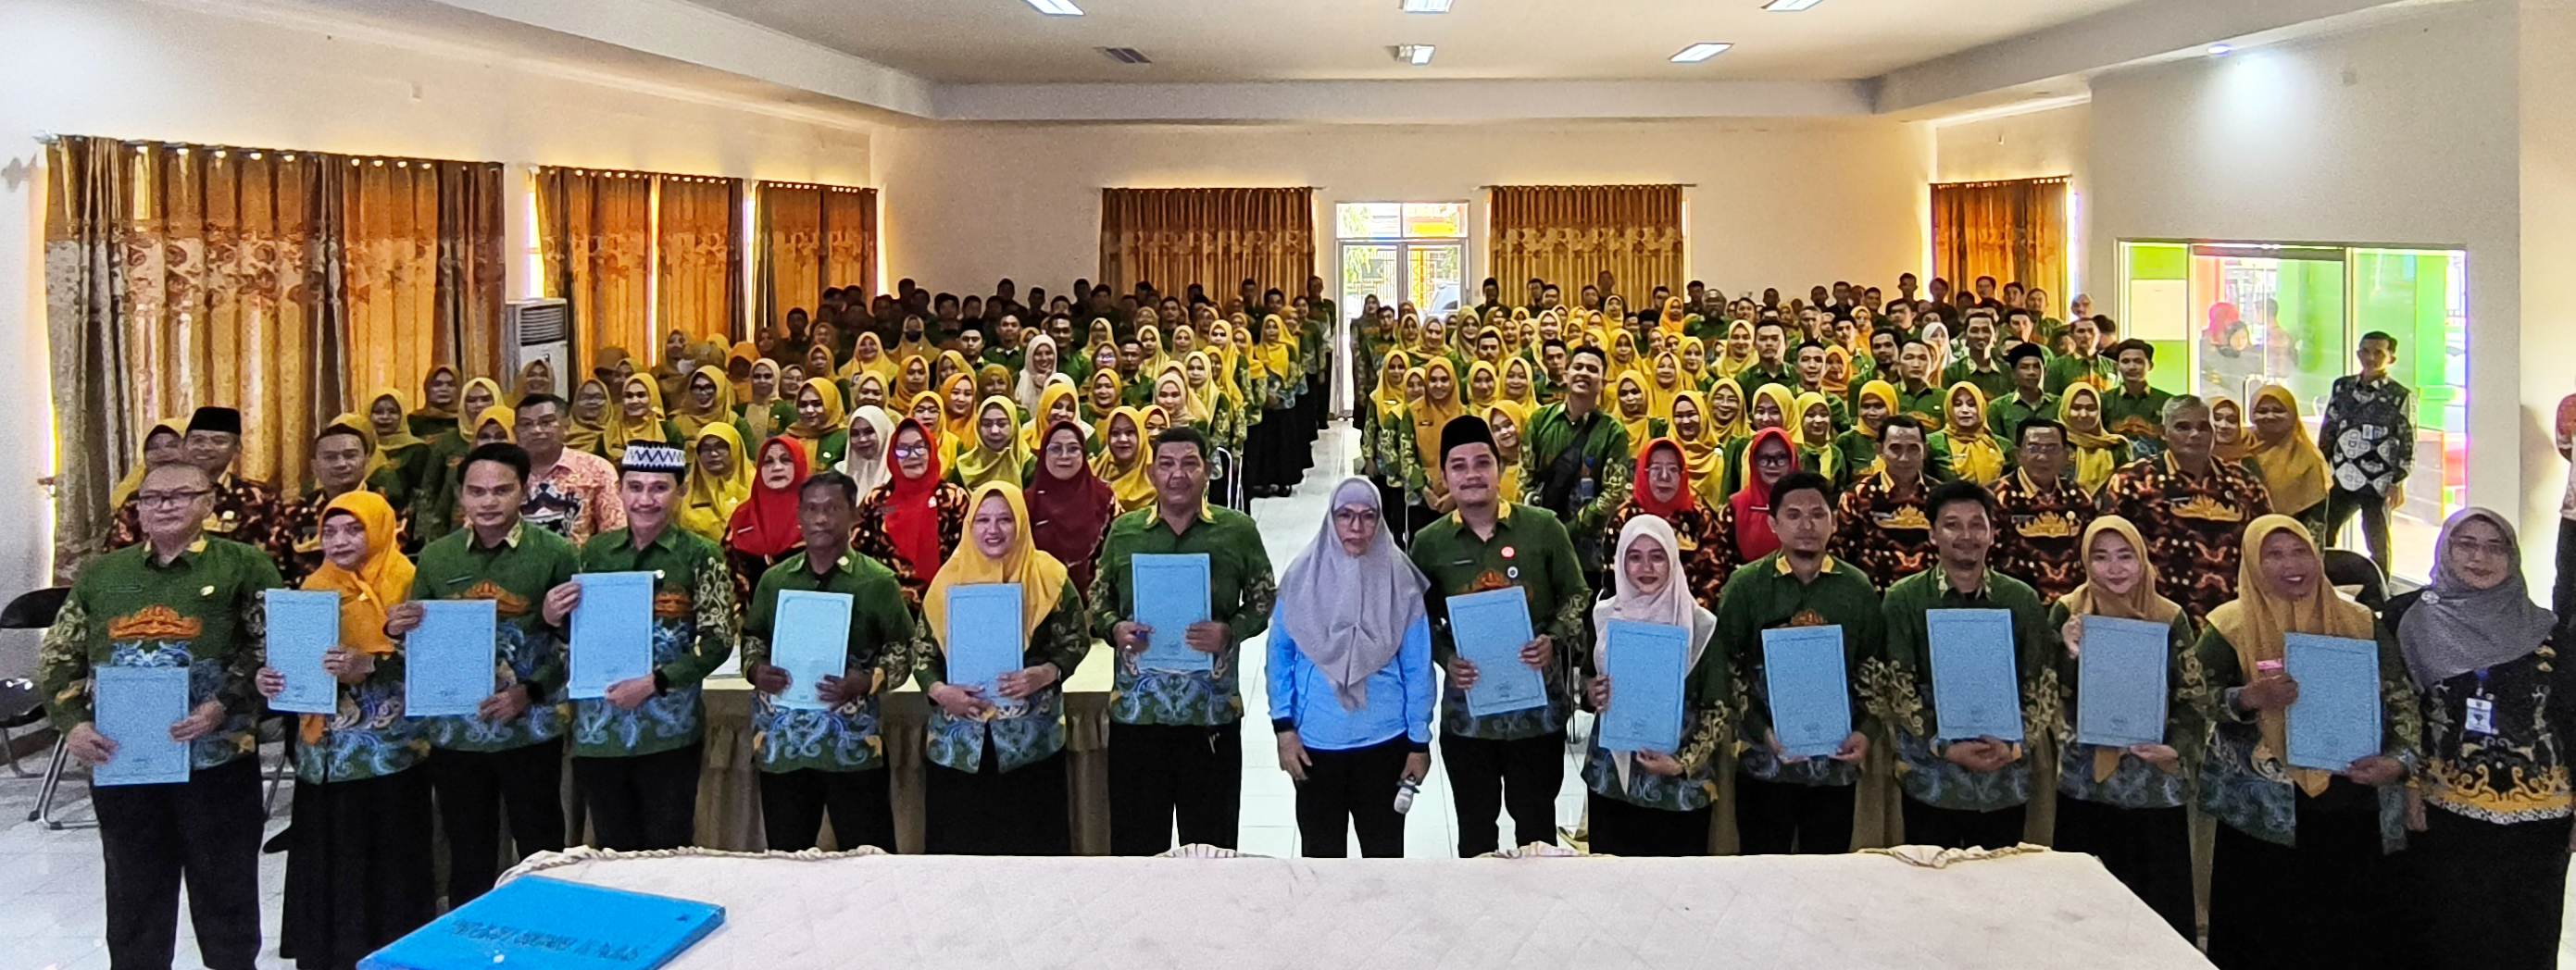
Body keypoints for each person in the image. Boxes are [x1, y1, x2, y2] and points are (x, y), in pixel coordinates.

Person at [43, 461, 280, 970]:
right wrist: (73, 723)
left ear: (208, 502)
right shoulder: (104, 574)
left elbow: (270, 648)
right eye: (152, 498)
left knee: (225, 889)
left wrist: (224, 704)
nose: (164, 506)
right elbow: (60, 655)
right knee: (134, 893)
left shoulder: (243, 565)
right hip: (123, 760)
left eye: (179, 495)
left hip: (215, 757)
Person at [2195, 516, 2411, 969]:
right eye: (2273, 555)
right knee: (2265, 935)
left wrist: (2399, 761)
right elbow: (2192, 699)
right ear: (2252, 563)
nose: (2291, 565)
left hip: (2352, 802)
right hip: (2263, 815)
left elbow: (2401, 699)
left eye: (2300, 552)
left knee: (2346, 934)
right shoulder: (2229, 627)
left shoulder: (2359, 622)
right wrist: (2246, 698)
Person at [392, 441, 576, 904]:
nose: (488, 502)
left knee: (541, 845)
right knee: (467, 850)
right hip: (458, 732)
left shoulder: (555, 553)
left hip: (530, 727)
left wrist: (529, 692)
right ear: (461, 495)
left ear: (524, 491)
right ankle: (472, 935)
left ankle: (546, 932)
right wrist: (398, 630)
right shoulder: (437, 558)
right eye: (476, 491)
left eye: (501, 490)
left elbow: (575, 643)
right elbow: (423, 645)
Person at [257, 491, 433, 969]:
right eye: (330, 531)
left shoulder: (409, 582)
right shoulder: (314, 586)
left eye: (354, 529)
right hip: (324, 758)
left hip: (391, 754)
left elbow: (438, 662)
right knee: (330, 860)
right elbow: (293, 662)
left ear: (381, 529)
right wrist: (269, 679)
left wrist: (372, 664)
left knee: (388, 862)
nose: (339, 541)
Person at [2395, 509, 2570, 969]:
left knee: (2527, 943)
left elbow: (2570, 718)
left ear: (2513, 557)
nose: (2480, 557)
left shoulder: (2547, 630)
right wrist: (2408, 788)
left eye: (2496, 547)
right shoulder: (2409, 622)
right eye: (2466, 544)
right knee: (2452, 938)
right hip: (2447, 811)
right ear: (2446, 549)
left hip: (2541, 816)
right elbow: (2401, 712)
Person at [1410, 416, 1590, 856]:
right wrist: (1446, 657)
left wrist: (1553, 638)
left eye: (1482, 462)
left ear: (1500, 467)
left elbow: (1577, 595)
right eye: (1458, 466)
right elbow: (1417, 619)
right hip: (1469, 715)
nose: (1472, 474)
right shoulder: (1430, 544)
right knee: (1475, 832)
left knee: (1537, 828)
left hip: (1537, 712)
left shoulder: (1543, 528)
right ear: (1444, 476)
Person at [1094, 427, 1277, 854]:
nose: (1178, 475)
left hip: (1209, 713)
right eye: (1167, 464)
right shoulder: (1125, 531)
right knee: (1137, 849)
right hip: (1139, 714)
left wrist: (1231, 631)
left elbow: (1265, 598)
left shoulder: (1237, 531)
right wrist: (1115, 628)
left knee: (1211, 849)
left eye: (1189, 463)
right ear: (1152, 473)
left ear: (1208, 471)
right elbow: (1098, 599)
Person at [550, 441, 736, 852]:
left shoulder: (700, 555)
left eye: (659, 488)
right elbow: (574, 637)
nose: (645, 500)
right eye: (635, 487)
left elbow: (719, 639)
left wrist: (655, 683)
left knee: (667, 849)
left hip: (668, 732)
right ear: (619, 490)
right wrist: (553, 616)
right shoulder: (595, 553)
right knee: (612, 850)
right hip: (600, 731)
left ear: (680, 491)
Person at [738, 470, 919, 852]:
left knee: (868, 858)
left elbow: (904, 648)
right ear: (799, 515)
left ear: (853, 514)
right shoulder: (775, 580)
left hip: (851, 745)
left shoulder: (877, 581)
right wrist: (755, 670)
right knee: (786, 858)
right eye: (811, 509)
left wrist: (868, 681)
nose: (820, 519)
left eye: (832, 509)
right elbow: (752, 637)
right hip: (784, 744)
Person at [1875, 479, 2057, 850]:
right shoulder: (1904, 599)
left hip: (2005, 776)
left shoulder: (2020, 599)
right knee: (1930, 877)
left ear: (1992, 532)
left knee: (1999, 878)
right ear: (1932, 534)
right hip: (1931, 778)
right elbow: (1898, 684)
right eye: (1952, 525)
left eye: (1977, 524)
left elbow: (2040, 681)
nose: (1966, 535)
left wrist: (2015, 746)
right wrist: (1942, 746)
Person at [919, 482, 1093, 855]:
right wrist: (940, 692)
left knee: (1032, 857)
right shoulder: (947, 581)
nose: (993, 530)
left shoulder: (1049, 577)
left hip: (1030, 746)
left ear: (1022, 523)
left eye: (1005, 519)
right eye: (982, 520)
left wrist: (1047, 672)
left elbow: (1075, 642)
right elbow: (922, 656)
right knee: (959, 858)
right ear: (969, 525)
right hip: (959, 747)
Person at [2047, 516, 2198, 939]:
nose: (2114, 569)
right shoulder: (2068, 612)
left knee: (2156, 912)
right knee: (2085, 915)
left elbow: (2192, 696)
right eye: (2101, 557)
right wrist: (2067, 649)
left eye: (2125, 556)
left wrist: (2176, 749)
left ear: (2142, 559)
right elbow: (2046, 686)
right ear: (2086, 563)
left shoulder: (2168, 616)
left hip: (2153, 783)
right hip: (2085, 784)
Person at [1269, 479, 1434, 858]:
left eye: (1367, 516)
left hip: (1385, 743)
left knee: (1383, 861)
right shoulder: (1302, 577)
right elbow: (1279, 658)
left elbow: (1418, 669)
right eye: (1345, 516)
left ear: (1380, 521)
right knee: (1321, 862)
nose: (1356, 527)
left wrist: (1419, 742)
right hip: (1315, 746)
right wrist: (1284, 730)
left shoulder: (1400, 580)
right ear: (1331, 519)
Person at [1719, 471, 1880, 854]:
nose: (1807, 525)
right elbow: (1726, 668)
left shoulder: (1856, 588)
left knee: (1826, 873)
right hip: (1764, 762)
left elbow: (1874, 669)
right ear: (1773, 524)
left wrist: (1866, 732)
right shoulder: (1746, 586)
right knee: (1762, 871)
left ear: (1834, 521)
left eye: (1817, 514)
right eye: (1793, 515)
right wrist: (1761, 731)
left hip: (1834, 763)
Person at [1579, 515, 1725, 856]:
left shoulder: (1701, 627)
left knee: (1676, 884)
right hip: (1612, 778)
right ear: (1620, 562)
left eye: (1657, 556)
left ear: (1673, 560)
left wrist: (1682, 762)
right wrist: (1592, 692)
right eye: (1635, 557)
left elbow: (1719, 706)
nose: (1646, 567)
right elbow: (1587, 683)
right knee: (1611, 877)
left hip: (1678, 783)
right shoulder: (1605, 616)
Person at [2103, 396, 2272, 624]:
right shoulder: (2132, 481)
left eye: (2203, 427)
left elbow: (2268, 546)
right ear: (2164, 432)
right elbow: (2106, 549)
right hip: (2155, 615)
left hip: (2232, 618)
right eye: (2183, 427)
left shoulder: (2243, 483)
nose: (2195, 434)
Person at [107, 406, 294, 580]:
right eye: (197, 440)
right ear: (184, 445)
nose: (205, 447)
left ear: (237, 448)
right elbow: (117, 562)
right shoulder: (145, 498)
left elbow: (278, 560)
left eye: (218, 441)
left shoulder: (259, 496)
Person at [1520, 345, 1631, 589]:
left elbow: (1613, 493)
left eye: (1592, 369)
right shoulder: (1540, 421)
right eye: (1578, 367)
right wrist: (1537, 524)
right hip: (1541, 539)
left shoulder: (1613, 432)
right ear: (1566, 373)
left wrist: (1568, 531)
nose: (1583, 373)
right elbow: (1525, 478)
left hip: (1589, 551)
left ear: (1603, 381)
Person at [2320, 331, 2415, 573]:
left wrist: (2398, 480)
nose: (2371, 358)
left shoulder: (2399, 395)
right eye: (2365, 351)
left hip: (2378, 479)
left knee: (2376, 536)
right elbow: (2329, 427)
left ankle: (2380, 586)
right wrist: (2320, 464)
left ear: (2391, 358)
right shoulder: (2342, 387)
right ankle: (2323, 577)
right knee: (2326, 528)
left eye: (2378, 353)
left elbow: (2407, 439)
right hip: (2341, 474)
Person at [856, 418, 971, 599]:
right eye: (902, 449)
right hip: (888, 601)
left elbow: (965, 557)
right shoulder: (877, 500)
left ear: (931, 450)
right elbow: (859, 555)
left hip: (942, 600)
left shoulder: (952, 498)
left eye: (919, 447)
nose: (912, 455)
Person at [1607, 439, 1728, 604]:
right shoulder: (1625, 518)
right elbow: (1612, 577)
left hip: (1691, 611)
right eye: (1656, 469)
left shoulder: (1699, 517)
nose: (1664, 476)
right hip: (1633, 613)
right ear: (1644, 472)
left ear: (1682, 474)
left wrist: (1696, 609)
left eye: (1672, 469)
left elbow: (1717, 573)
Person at [1990, 419, 2096, 603]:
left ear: (2066, 456)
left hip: (2072, 606)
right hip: (2015, 605)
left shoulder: (2080, 497)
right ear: (2018, 454)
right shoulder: (1994, 497)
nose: (2043, 457)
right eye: (2033, 448)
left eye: (2052, 449)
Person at [1833, 415, 1937, 591]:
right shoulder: (1857, 496)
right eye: (1895, 448)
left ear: (1925, 451)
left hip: (1930, 596)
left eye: (1913, 448)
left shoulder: (1940, 496)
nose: (1904, 458)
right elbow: (1839, 554)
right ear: (1880, 449)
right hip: (1873, 596)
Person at [513, 393, 626, 545]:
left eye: (546, 422)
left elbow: (615, 533)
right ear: (515, 432)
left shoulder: (597, 469)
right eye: (526, 424)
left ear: (566, 426)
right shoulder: (506, 472)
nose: (536, 430)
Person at [2245, 384, 2332, 536]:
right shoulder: (2239, 445)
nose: (2270, 416)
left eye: (2278, 410)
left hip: (2288, 539)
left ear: (2292, 414)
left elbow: (2314, 520)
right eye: (2262, 411)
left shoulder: (2307, 458)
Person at [677, 424, 753, 545]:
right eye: (706, 449)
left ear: (735, 448)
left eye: (721, 447)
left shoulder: (758, 484)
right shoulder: (684, 490)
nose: (713, 454)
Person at [1926, 382, 2008, 487]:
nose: (1965, 410)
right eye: (1957, 404)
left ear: (1981, 407)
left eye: (1971, 404)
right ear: (1949, 407)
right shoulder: (1932, 443)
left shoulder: (2002, 445)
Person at [2099, 340, 2173, 455]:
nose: (2132, 367)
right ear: (2117, 366)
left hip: (2157, 464)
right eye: (2125, 361)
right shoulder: (2103, 401)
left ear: (2150, 366)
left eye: (2138, 361)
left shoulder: (2168, 402)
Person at [2057, 385, 2132, 495]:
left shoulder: (2116, 447)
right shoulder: (2053, 444)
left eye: (2091, 408)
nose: (2083, 414)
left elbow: (2126, 489)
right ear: (2064, 409)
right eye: (2076, 408)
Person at [1987, 343, 2057, 449]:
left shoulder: (2058, 404)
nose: (2031, 372)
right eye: (2025, 367)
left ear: (2045, 371)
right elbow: (1995, 443)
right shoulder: (1997, 408)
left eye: (2036, 367)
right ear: (2013, 373)